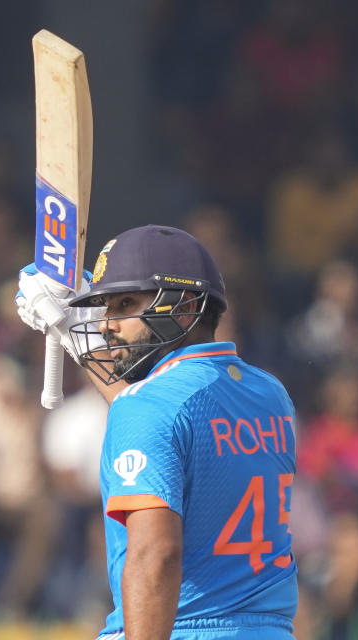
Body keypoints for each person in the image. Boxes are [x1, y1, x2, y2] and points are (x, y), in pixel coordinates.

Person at [16, 225, 299, 639]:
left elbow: (156, 555)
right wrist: (81, 342)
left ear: (183, 308)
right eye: (105, 308)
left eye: (125, 304)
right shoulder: (270, 394)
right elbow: (167, 419)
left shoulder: (147, 408)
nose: (108, 324)